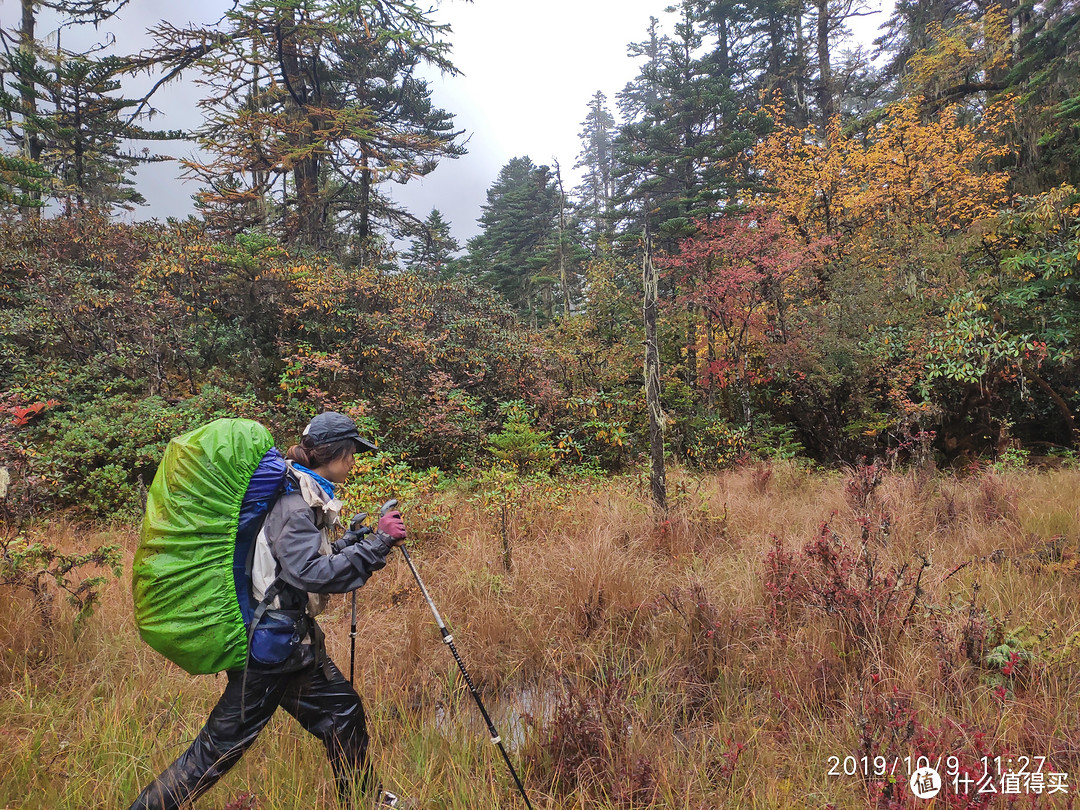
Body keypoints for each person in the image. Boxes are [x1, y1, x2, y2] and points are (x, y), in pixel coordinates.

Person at [129, 411, 408, 810]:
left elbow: (288, 569)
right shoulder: (295, 502)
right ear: (338, 452)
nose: (354, 461)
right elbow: (309, 573)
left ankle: (362, 801)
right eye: (353, 453)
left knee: (343, 713)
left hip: (292, 647)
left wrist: (356, 542)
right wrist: (378, 544)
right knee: (217, 750)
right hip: (271, 652)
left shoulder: (301, 490)